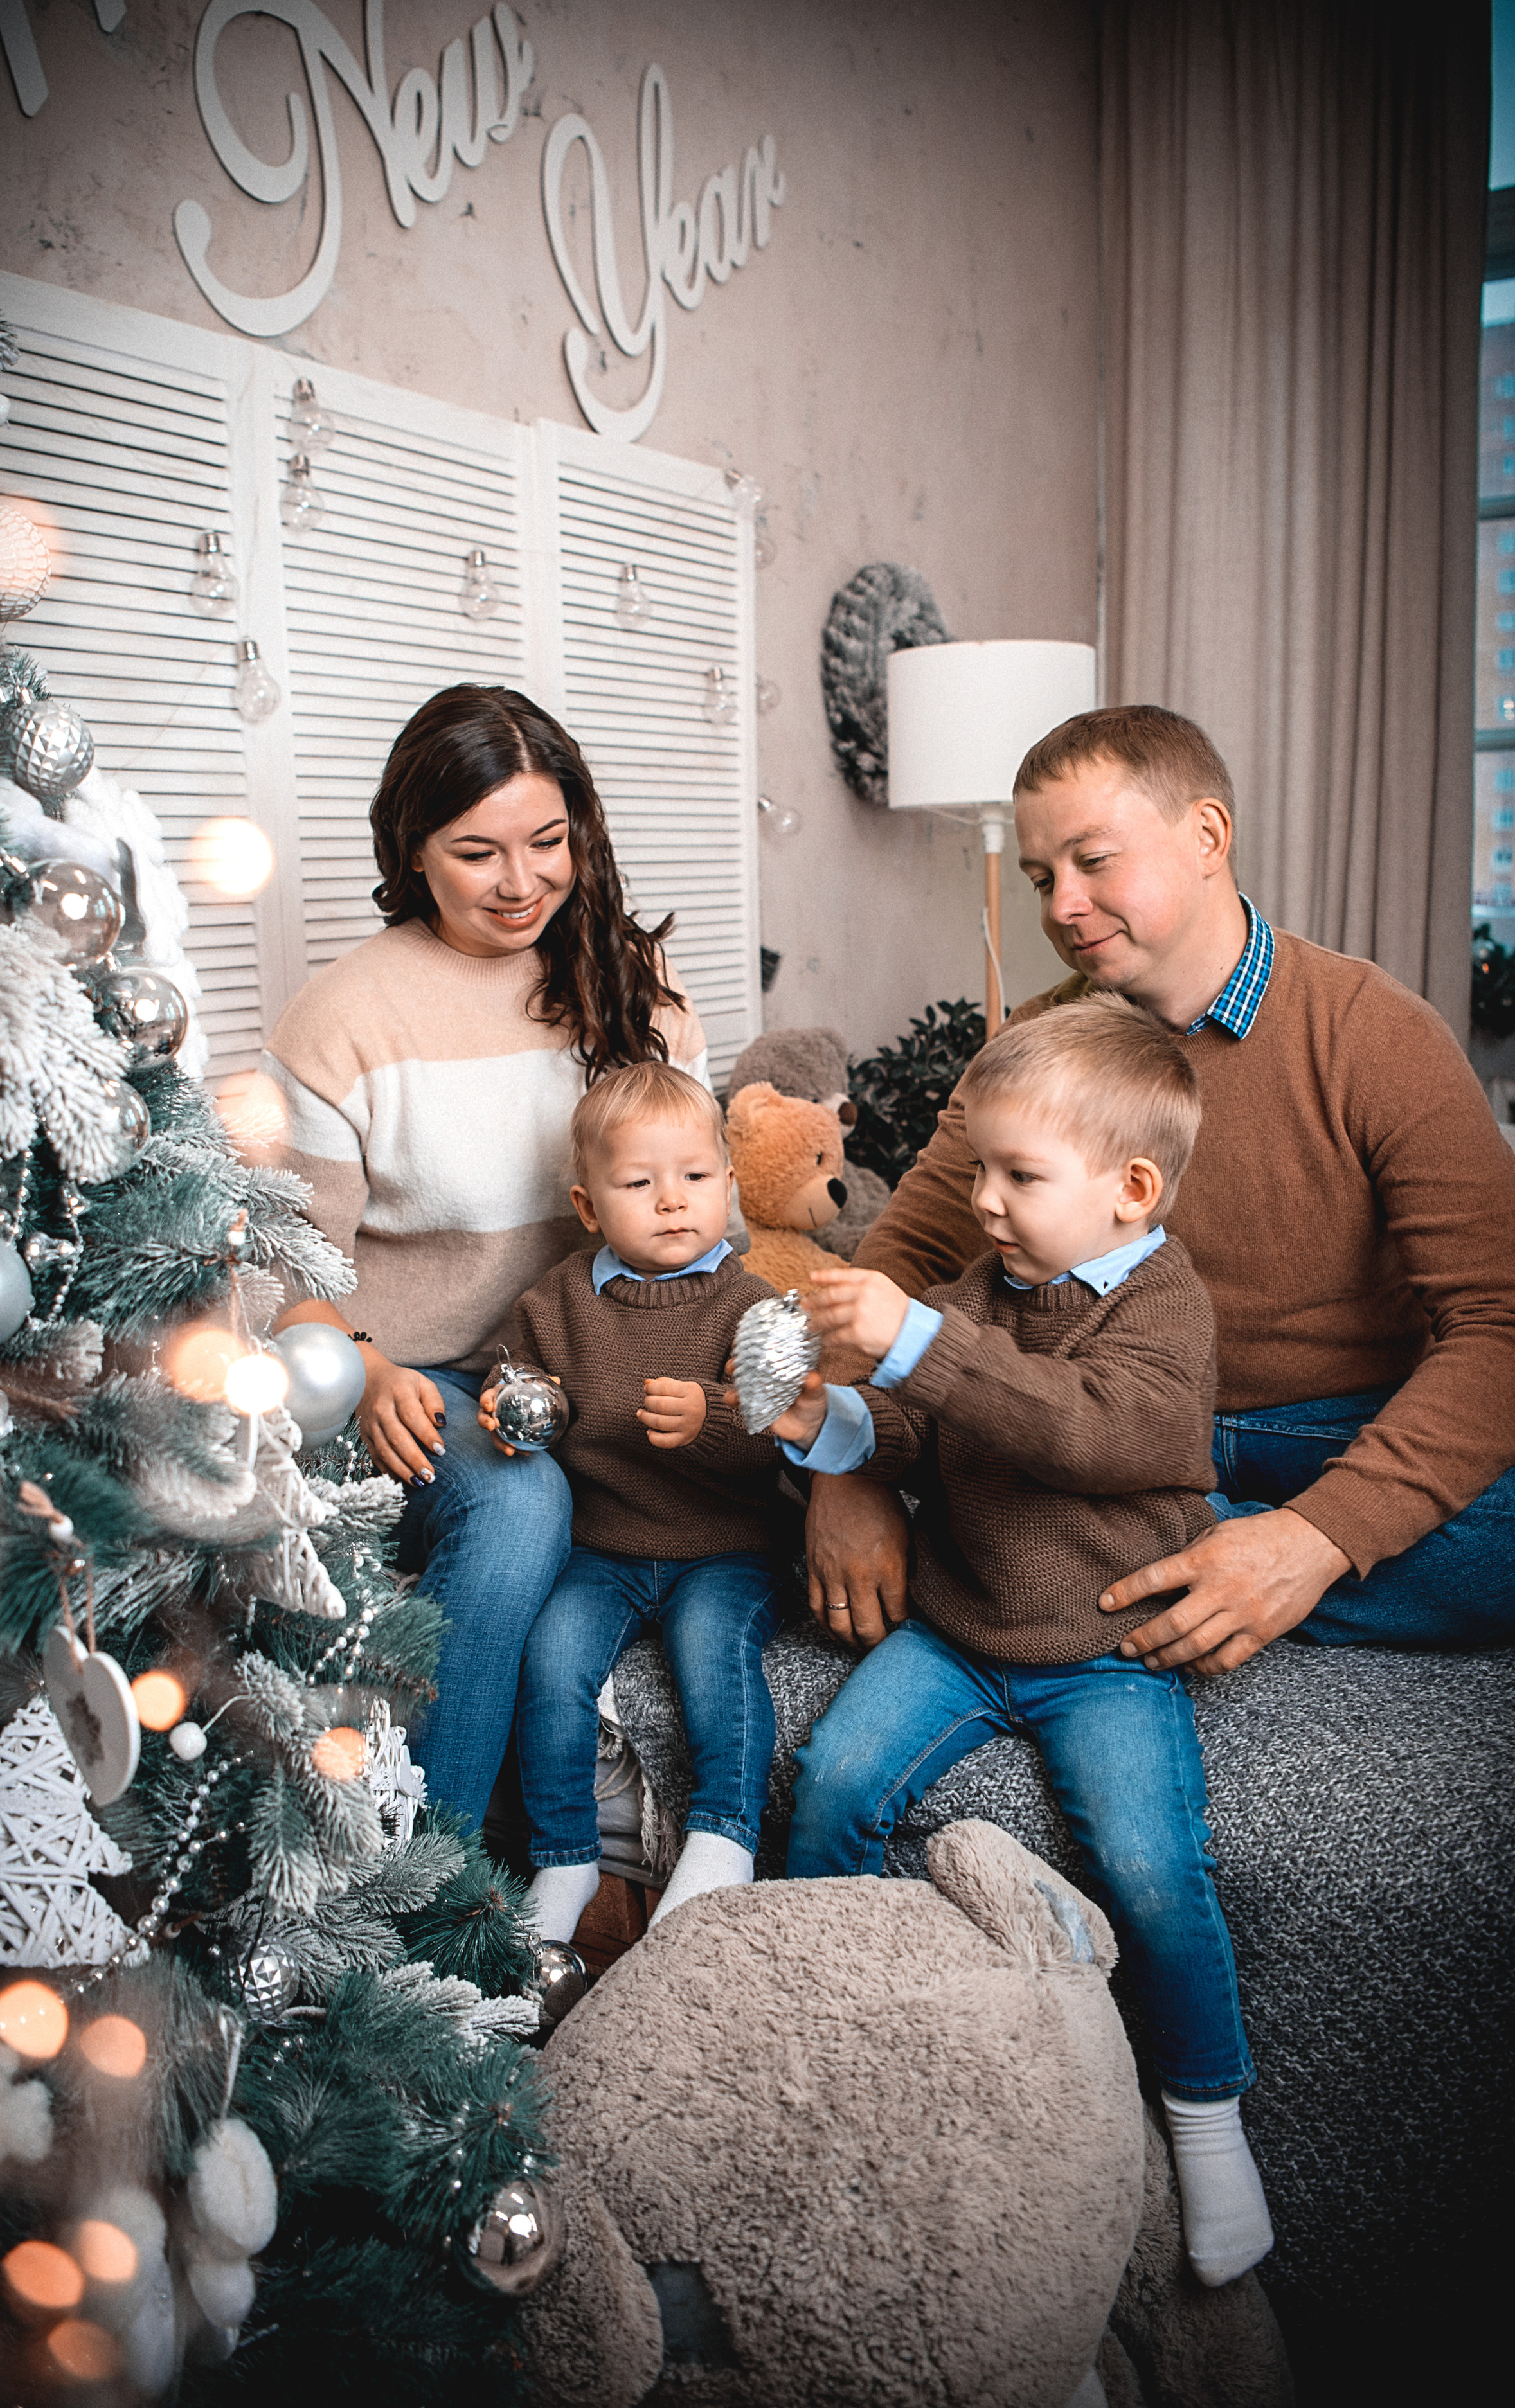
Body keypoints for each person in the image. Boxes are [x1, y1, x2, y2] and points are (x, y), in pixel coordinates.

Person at [807, 706, 1515, 1668]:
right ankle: (1153, 1564)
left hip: (1324, 1429)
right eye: (1040, 877)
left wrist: (1318, 1539)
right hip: (1085, 1417)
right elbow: (908, 1251)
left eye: (1093, 862)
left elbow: (1497, 1324)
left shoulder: (1375, 1032)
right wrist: (845, 1477)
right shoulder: (1036, 1046)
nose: (1060, 905)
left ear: (1207, 836)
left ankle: (1149, 1567)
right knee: (773, 1461)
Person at [771, 997, 1273, 2289]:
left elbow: (1088, 1430)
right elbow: (918, 1433)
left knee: (1150, 1861)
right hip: (962, 1626)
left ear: (1130, 1190)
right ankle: (833, 2022)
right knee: (830, 1780)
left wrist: (926, 1348)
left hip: (1105, 1647)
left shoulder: (1163, 1312)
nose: (983, 1202)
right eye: (978, 1168)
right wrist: (820, 1426)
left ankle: (1207, 2119)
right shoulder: (971, 1294)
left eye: (1019, 1176)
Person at [258, 685, 713, 1828]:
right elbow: (282, 1270)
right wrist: (363, 1369)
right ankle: (430, 1880)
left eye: (549, 843)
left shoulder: (638, 993)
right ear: (413, 854)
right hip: (423, 1380)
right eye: (476, 852)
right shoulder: (343, 1016)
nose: (521, 884)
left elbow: (710, 1220)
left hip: (604, 1352)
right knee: (518, 1511)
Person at [482, 1062, 789, 1936]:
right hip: (606, 1544)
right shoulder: (558, 1303)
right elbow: (524, 1385)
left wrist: (718, 1416)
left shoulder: (753, 1304)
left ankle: (725, 1837)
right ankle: (564, 1858)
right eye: (639, 1183)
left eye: (695, 1178)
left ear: (727, 1186)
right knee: (552, 1658)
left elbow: (792, 1436)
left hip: (729, 1544)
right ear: (588, 1208)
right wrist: (514, 1410)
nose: (671, 1202)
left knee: (711, 1653)